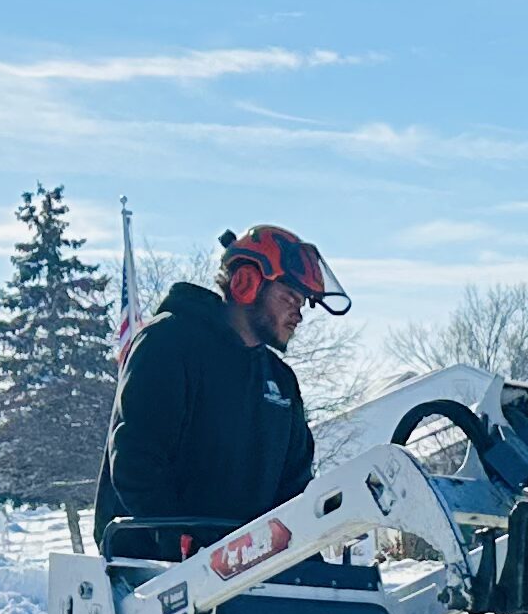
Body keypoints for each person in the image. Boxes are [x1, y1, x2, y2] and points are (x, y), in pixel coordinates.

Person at [98, 225, 350, 575]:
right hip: (152, 574)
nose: (299, 314)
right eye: (290, 298)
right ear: (246, 284)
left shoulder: (280, 381)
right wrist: (183, 545)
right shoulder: (169, 343)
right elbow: (137, 460)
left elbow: (293, 488)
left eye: (304, 303)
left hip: (247, 576)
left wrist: (309, 564)